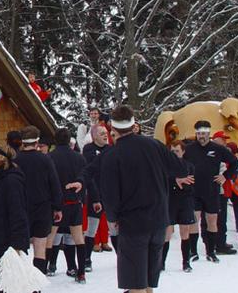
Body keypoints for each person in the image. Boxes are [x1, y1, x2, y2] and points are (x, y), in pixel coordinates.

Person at [101, 105, 186, 293]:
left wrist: (112, 218)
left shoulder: (112, 155)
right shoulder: (154, 145)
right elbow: (180, 169)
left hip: (133, 223)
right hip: (158, 220)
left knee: (135, 282)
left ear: (112, 128)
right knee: (148, 280)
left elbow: (110, 193)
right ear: (133, 124)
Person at [183, 120, 238, 262]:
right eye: (199, 133)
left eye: (204, 133)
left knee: (212, 220)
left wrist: (225, 176)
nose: (201, 136)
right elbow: (178, 162)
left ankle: (211, 251)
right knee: (194, 221)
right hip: (194, 190)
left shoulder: (217, 148)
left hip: (211, 190)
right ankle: (193, 252)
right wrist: (182, 177)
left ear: (209, 134)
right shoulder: (189, 148)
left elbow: (234, 162)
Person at [14, 126, 62, 276]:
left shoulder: (15, 160)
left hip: (20, 207)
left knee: (17, 249)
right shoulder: (45, 160)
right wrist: (58, 207)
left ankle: (17, 281)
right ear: (37, 142)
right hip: (42, 208)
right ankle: (37, 283)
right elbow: (54, 184)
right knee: (40, 247)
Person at [0, 142, 30, 291]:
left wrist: (17, 245)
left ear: (1, 158)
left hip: (8, 243)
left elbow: (18, 213)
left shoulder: (11, 181)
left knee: (7, 283)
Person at [47, 127, 88, 283]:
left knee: (50, 238)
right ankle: (81, 272)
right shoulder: (79, 158)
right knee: (79, 238)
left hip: (58, 203)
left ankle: (45, 267)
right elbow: (85, 179)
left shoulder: (50, 157)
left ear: (55, 140)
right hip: (75, 202)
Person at [162, 141, 196, 273]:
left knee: (185, 232)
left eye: (177, 151)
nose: (174, 153)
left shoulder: (189, 166)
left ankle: (186, 261)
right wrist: (176, 180)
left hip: (185, 201)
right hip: (170, 201)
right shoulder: (165, 166)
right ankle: (161, 262)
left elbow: (190, 183)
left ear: (183, 152)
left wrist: (180, 182)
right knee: (167, 233)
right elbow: (163, 180)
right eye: (172, 151)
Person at [81, 124, 110, 269]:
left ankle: (123, 259)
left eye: (106, 132)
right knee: (92, 229)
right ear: (94, 136)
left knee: (114, 228)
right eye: (102, 133)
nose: (105, 135)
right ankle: (87, 259)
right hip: (95, 193)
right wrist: (95, 196)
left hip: (110, 194)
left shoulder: (111, 149)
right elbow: (89, 173)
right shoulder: (89, 149)